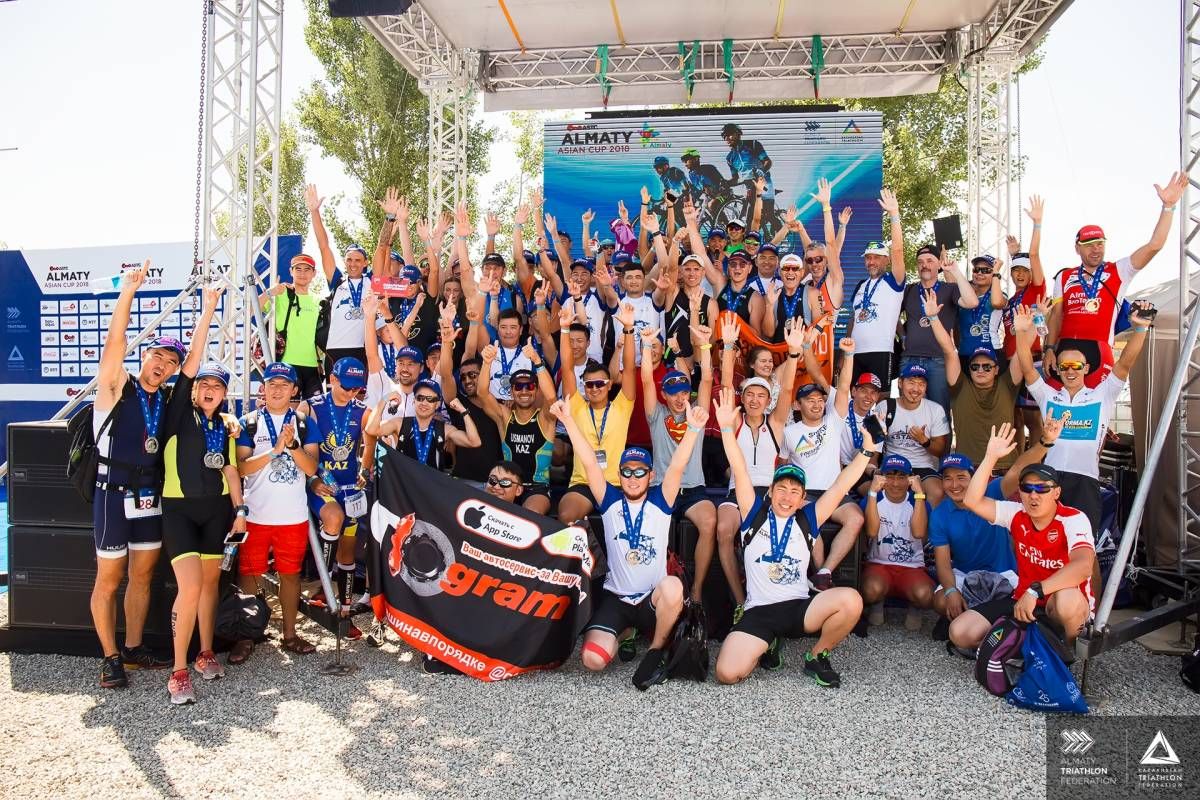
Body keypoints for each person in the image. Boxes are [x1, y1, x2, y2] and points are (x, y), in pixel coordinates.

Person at [713, 386, 878, 686]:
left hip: (799, 608)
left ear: (803, 498)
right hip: (759, 612)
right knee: (727, 674)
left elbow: (841, 486)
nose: (787, 497)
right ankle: (768, 642)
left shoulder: (807, 518)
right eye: (781, 489)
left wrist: (866, 453)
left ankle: (817, 655)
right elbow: (739, 468)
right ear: (771, 491)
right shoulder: (754, 515)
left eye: (794, 492)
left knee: (851, 600)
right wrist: (726, 429)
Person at [554, 397, 707, 691]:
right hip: (618, 598)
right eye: (627, 471)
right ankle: (626, 632)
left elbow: (677, 466)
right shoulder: (610, 499)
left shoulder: (662, 500)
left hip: (652, 599)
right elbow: (589, 462)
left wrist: (693, 429)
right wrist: (568, 420)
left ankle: (655, 651)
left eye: (640, 472)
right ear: (619, 474)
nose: (633, 478)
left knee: (673, 587)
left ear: (651, 475)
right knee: (592, 660)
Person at [90, 259, 182, 688]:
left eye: (170, 361)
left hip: (149, 497)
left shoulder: (166, 399)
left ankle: (132, 647)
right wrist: (128, 291)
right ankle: (109, 658)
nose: (162, 364)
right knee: (109, 579)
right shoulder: (116, 385)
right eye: (157, 355)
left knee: (143, 575)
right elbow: (114, 342)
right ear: (145, 356)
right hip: (112, 494)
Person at [159, 287, 247, 704]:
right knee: (190, 587)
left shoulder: (226, 425)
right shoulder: (179, 413)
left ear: (225, 394)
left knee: (211, 585)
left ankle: (205, 652)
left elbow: (230, 469)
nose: (210, 389)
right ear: (194, 390)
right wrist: (209, 309)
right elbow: (191, 362)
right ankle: (178, 671)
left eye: (218, 386)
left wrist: (240, 510)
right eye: (204, 384)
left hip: (216, 511)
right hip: (178, 510)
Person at [950, 426, 1097, 650]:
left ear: (1057, 492)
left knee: (1067, 601)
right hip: (1023, 600)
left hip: (1055, 602)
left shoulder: (1073, 518)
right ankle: (1023, 648)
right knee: (960, 632)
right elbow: (972, 501)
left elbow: (1083, 567)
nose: (1033, 495)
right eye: (1027, 488)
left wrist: (1036, 590)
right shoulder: (1017, 513)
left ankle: (1066, 654)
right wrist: (990, 457)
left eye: (1042, 488)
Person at [1014, 302, 1154, 534]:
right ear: (1058, 369)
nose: (1070, 371)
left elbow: (1125, 363)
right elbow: (1028, 368)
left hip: (1085, 481)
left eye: (1076, 365)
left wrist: (1140, 329)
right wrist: (1020, 331)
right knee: (1049, 541)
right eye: (1064, 366)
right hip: (1050, 479)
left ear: (1086, 368)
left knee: (1084, 545)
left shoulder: (1102, 394)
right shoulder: (1048, 395)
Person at [1044, 173, 1184, 383]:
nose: (1096, 249)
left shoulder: (1119, 270)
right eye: (1089, 245)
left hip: (1100, 350)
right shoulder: (1064, 276)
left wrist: (1168, 207)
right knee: (1056, 403)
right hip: (1064, 350)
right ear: (1077, 248)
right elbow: (1056, 316)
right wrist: (1049, 348)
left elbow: (1154, 245)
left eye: (1100, 244)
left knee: (1099, 404)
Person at [714, 319, 803, 614]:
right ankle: (741, 601)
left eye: (760, 395)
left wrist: (793, 353)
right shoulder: (735, 421)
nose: (754, 399)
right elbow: (726, 385)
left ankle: (777, 596)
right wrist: (729, 346)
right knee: (723, 530)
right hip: (737, 492)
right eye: (749, 394)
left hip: (768, 494)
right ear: (743, 398)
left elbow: (787, 388)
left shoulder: (775, 423)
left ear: (767, 401)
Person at [235, 362, 322, 659]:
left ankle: (290, 634)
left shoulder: (303, 423)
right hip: (256, 515)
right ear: (263, 387)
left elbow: (311, 468)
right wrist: (274, 451)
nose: (277, 389)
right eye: (272, 383)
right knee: (249, 575)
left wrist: (293, 445)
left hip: (292, 516)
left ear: (294, 389)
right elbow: (241, 468)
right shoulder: (248, 422)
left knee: (291, 575)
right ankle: (247, 636)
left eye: (284, 385)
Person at [639, 322, 716, 603]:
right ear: (664, 395)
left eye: (684, 392)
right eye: (674, 393)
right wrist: (646, 345)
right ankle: (653, 587)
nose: (680, 398)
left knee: (709, 522)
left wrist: (705, 345)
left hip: (693, 489)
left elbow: (706, 380)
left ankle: (697, 590)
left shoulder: (697, 413)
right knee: (650, 529)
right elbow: (647, 380)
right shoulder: (656, 414)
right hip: (661, 488)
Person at [784, 335, 865, 592]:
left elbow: (844, 388)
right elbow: (782, 468)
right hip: (806, 495)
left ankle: (824, 572)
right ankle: (820, 579)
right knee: (812, 528)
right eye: (810, 400)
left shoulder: (833, 421)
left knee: (856, 519)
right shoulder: (789, 432)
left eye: (820, 400)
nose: (817, 404)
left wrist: (849, 355)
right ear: (798, 405)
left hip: (835, 492)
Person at [306, 357, 375, 638]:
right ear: (333, 379)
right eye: (347, 387)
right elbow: (307, 452)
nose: (352, 393)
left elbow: (370, 441)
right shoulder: (311, 406)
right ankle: (324, 586)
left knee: (348, 551)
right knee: (333, 519)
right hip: (323, 485)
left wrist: (365, 469)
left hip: (350, 489)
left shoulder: (362, 410)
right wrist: (314, 479)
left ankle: (345, 611)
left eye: (357, 389)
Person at [921, 288, 1022, 470]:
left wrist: (1026, 328)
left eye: (987, 366)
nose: (980, 370)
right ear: (969, 369)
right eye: (975, 366)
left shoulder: (1007, 385)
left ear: (996, 369)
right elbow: (949, 351)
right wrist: (933, 318)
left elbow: (1022, 353)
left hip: (1003, 470)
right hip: (967, 470)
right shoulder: (960, 387)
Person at [556, 303, 638, 524]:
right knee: (565, 515)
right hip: (583, 483)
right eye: (589, 384)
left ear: (609, 385)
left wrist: (628, 329)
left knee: (627, 523)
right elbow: (567, 368)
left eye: (600, 383)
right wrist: (565, 329)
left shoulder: (622, 406)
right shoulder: (577, 407)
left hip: (616, 484)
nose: (594, 388)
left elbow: (629, 368)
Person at [476, 344, 557, 515]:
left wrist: (537, 362)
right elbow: (482, 394)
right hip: (506, 485)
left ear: (536, 390)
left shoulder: (545, 418)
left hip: (536, 488)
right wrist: (487, 363)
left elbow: (551, 397)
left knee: (530, 514)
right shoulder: (505, 418)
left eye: (530, 386)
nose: (524, 391)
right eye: (518, 387)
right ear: (511, 391)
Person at [898, 245, 979, 412]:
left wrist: (955, 271)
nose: (924, 265)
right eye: (920, 262)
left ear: (939, 265)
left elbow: (972, 302)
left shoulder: (949, 289)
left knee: (939, 412)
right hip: (910, 358)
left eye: (929, 261)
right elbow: (891, 317)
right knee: (910, 411)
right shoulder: (909, 290)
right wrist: (903, 335)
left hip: (939, 360)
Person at [861, 455, 933, 631]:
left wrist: (920, 494)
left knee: (925, 595)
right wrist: (872, 493)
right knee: (870, 590)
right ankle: (878, 602)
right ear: (882, 477)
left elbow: (919, 533)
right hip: (879, 564)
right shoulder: (875, 498)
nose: (895, 483)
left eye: (901, 477)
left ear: (910, 479)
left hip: (911, 567)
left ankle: (914, 607)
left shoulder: (917, 500)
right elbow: (871, 532)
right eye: (890, 476)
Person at [307, 184, 370, 373]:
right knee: (334, 391)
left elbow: (382, 250)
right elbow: (324, 246)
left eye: (357, 260)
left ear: (365, 263)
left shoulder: (371, 281)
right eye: (349, 260)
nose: (353, 264)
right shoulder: (337, 282)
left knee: (360, 390)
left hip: (363, 348)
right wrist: (314, 212)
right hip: (335, 349)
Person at [848, 189, 907, 383]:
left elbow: (898, 251)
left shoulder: (893, 281)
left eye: (876, 257)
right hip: (854, 353)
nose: (871, 262)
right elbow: (854, 319)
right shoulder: (860, 285)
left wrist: (894, 215)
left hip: (881, 351)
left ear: (886, 260)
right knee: (853, 395)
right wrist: (845, 351)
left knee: (881, 397)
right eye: (868, 258)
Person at [366, 378, 480, 470]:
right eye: (420, 398)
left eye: (430, 399)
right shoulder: (400, 424)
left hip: (431, 489)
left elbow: (474, 442)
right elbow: (371, 429)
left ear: (437, 404)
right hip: (404, 487)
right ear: (414, 401)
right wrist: (384, 399)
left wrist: (463, 411)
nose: (424, 403)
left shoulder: (445, 429)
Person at [878, 363, 950, 505]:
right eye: (911, 382)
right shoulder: (885, 407)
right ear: (900, 383)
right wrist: (873, 470)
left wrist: (924, 441)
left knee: (937, 492)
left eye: (921, 384)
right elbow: (874, 445)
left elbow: (940, 450)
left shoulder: (935, 409)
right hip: (893, 464)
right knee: (876, 489)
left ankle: (927, 521)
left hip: (922, 466)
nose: (916, 389)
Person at [261, 253, 324, 398]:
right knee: (287, 408)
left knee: (315, 408)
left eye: (307, 269)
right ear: (291, 271)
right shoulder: (281, 293)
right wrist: (270, 292)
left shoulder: (318, 301)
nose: (302, 273)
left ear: (314, 273)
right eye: (298, 269)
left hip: (311, 365)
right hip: (285, 364)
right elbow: (251, 309)